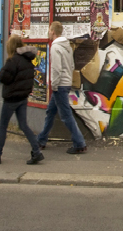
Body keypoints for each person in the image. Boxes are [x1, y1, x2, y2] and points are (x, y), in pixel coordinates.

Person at [0, 35, 44, 165]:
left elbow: (3, 78)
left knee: (3, 127)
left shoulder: (12, 61)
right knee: (24, 125)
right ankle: (37, 151)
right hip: (23, 98)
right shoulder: (27, 60)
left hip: (11, 98)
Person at [36, 21, 87, 154]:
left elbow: (56, 69)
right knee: (50, 112)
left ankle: (79, 143)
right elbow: (71, 65)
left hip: (59, 85)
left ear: (52, 31)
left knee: (65, 115)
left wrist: (54, 85)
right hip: (65, 82)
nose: (48, 32)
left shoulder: (55, 47)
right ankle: (41, 139)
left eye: (49, 30)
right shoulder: (67, 46)